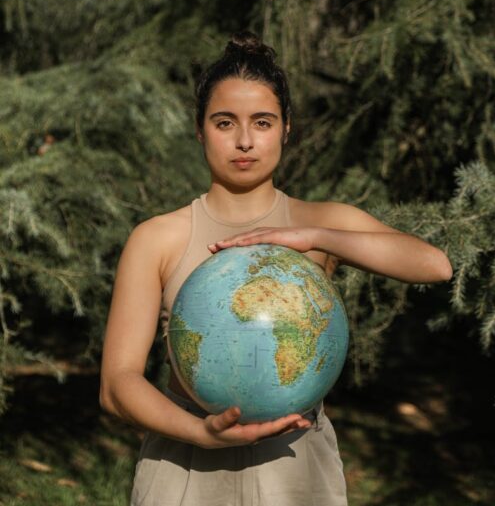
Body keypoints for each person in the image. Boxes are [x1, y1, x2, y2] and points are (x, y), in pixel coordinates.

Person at [100, 30, 453, 506]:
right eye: (225, 123)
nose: (245, 141)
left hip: (296, 465)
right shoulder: (158, 237)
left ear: (286, 129)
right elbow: (116, 384)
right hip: (184, 464)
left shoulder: (322, 222)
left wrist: (315, 238)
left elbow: (435, 265)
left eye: (262, 123)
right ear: (200, 129)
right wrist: (201, 432)